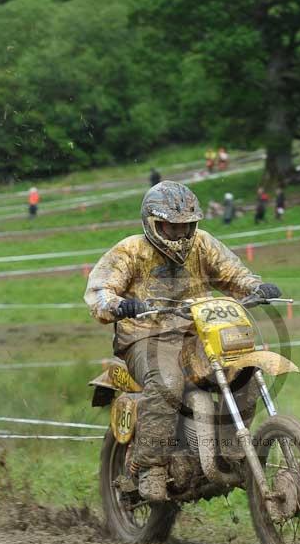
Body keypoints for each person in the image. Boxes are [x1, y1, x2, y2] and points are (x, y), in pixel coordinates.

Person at [84, 181, 281, 503]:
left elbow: (233, 274)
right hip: (145, 336)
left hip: (196, 332)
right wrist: (119, 304)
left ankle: (232, 450)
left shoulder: (202, 244)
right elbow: (100, 290)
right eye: (170, 227)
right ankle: (150, 466)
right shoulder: (130, 250)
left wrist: (255, 288)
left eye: (185, 226)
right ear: (152, 222)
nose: (179, 234)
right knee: (168, 381)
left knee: (245, 364)